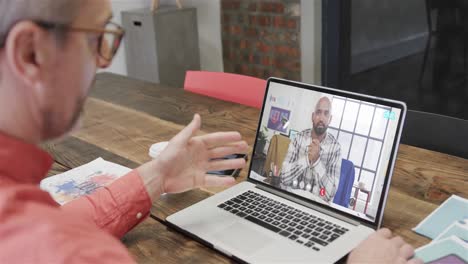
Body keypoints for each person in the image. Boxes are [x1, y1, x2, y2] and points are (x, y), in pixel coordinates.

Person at [0, 1, 421, 263]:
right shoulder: (70, 251)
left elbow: (323, 189)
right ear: (30, 53)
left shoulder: (28, 221)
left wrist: (157, 175)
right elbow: (286, 176)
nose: (104, 62)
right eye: (97, 39)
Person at [280, 96, 342, 203]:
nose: (321, 118)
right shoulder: (298, 138)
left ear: (330, 119)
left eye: (326, 114)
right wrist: (306, 159)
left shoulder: (336, 148)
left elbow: (329, 194)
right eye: (318, 112)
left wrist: (317, 161)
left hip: (317, 208)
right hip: (292, 201)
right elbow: (284, 177)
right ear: (312, 116)